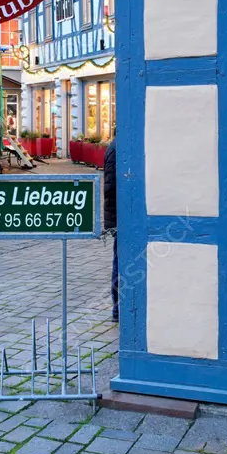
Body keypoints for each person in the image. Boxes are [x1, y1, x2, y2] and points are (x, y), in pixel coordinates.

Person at [104, 137, 118, 322]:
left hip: (118, 215)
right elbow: (111, 187)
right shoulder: (118, 147)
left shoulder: (116, 144)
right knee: (121, 263)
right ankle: (118, 309)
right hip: (120, 216)